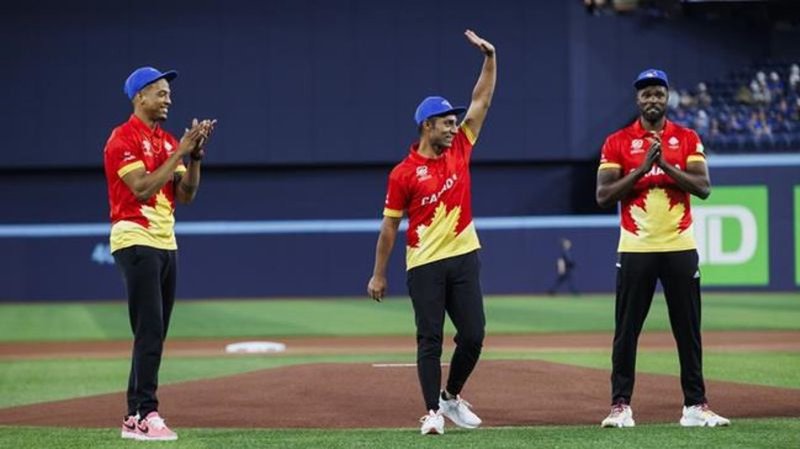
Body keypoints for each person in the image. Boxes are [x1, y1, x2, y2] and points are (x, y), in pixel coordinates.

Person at [366, 29, 496, 435]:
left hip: (463, 256)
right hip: (423, 263)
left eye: (456, 123)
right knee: (430, 340)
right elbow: (389, 226)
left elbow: (482, 101)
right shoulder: (403, 173)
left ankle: (451, 397)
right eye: (446, 123)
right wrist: (379, 272)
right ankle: (431, 413)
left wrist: (490, 59)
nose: (455, 128)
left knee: (473, 334)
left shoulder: (460, 148)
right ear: (427, 126)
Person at [595, 69, 730, 428]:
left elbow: (703, 188)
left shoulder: (686, 138)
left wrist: (664, 164)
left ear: (666, 97)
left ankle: (695, 406)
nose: (651, 99)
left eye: (657, 93)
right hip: (636, 247)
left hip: (679, 245)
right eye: (645, 94)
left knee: (688, 330)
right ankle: (620, 406)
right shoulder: (617, 142)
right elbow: (603, 195)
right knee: (627, 331)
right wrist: (641, 169)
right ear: (637, 100)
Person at [104, 66, 216, 441]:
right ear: (140, 97)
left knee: (156, 331)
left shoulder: (169, 141)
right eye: (160, 93)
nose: (168, 99)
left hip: (166, 241)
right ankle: (145, 413)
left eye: (168, 93)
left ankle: (134, 416)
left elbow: (186, 195)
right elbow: (140, 188)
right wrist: (180, 152)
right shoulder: (122, 139)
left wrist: (195, 156)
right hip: (135, 236)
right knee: (149, 329)